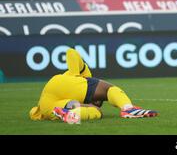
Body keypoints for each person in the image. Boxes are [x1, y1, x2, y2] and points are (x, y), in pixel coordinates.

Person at [30, 48, 158, 123]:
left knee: (87, 109)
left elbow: (33, 113)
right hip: (58, 90)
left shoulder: (71, 100)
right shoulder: (84, 75)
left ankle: (72, 115)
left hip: (46, 108)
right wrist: (75, 75)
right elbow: (71, 52)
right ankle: (128, 108)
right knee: (108, 92)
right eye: (98, 100)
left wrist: (74, 76)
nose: (95, 102)